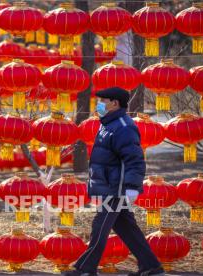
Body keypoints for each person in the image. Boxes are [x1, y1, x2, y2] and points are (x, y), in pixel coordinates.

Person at [64, 87, 164, 276]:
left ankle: (86, 269)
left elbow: (134, 159)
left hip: (116, 188)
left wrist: (132, 186)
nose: (98, 105)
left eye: (102, 101)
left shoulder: (123, 127)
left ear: (115, 103)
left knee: (100, 226)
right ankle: (151, 267)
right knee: (126, 228)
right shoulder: (109, 123)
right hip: (110, 185)